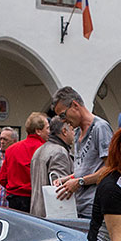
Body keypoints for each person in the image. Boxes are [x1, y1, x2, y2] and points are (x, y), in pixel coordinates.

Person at [50, 88, 114, 217]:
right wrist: (67, 179)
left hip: (95, 207)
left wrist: (79, 182)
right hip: (79, 207)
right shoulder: (78, 132)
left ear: (75, 105)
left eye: (63, 115)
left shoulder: (100, 128)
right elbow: (87, 169)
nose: (63, 121)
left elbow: (110, 169)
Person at [30, 116, 76, 218]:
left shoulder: (39, 150)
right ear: (64, 131)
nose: (74, 134)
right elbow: (61, 189)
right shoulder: (60, 152)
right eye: (72, 130)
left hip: (37, 212)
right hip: (52, 214)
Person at [0, 113, 46, 212]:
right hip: (35, 199)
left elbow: (2, 179)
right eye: (47, 128)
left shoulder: (11, 150)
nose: (49, 132)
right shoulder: (44, 149)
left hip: (14, 198)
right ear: (38, 131)